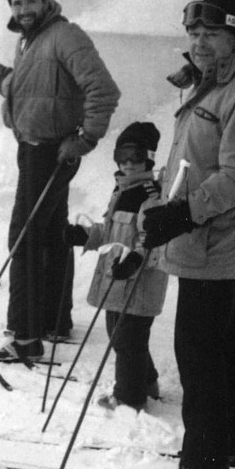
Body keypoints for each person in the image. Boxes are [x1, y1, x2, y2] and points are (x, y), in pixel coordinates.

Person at [141, 0, 235, 469]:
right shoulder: (209, 85)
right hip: (198, 228)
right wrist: (163, 200)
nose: (199, 43)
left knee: (197, 349)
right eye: (194, 34)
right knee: (223, 337)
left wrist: (181, 212)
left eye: (211, 34)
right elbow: (189, 156)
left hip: (215, 234)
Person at [0, 0, 120, 362]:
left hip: (51, 153)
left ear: (45, 1)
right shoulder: (30, 42)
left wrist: (85, 138)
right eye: (16, 3)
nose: (23, 10)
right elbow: (18, 85)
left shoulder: (64, 36)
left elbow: (103, 89)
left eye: (30, 1)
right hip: (36, 151)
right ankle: (52, 320)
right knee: (50, 234)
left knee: (23, 239)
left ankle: (23, 337)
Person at [67, 121, 167, 411]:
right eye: (120, 156)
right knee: (122, 336)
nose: (127, 163)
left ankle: (129, 397)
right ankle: (147, 382)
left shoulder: (150, 195)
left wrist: (135, 259)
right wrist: (84, 235)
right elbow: (112, 234)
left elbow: (154, 239)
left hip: (138, 283)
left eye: (134, 155)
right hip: (118, 281)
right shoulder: (121, 191)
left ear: (148, 157)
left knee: (127, 340)